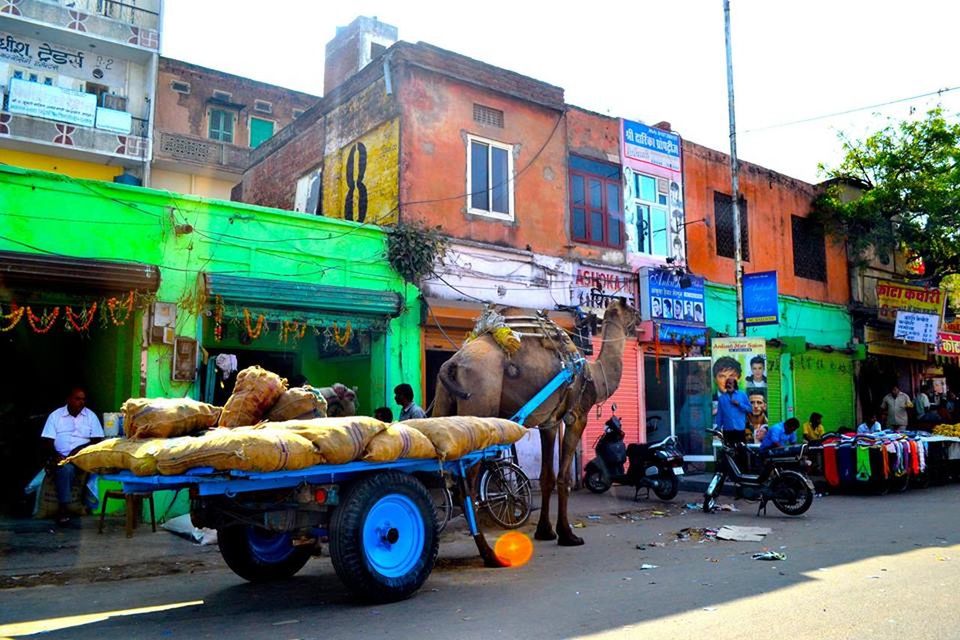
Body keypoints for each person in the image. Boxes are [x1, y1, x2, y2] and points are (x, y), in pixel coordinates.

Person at [41, 387, 103, 526]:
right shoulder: (55, 416)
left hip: (84, 458)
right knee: (65, 469)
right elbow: (47, 441)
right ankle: (64, 507)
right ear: (68, 399)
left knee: (67, 469)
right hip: (61, 458)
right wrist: (56, 455)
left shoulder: (91, 416)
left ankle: (63, 508)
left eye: (83, 399)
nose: (81, 402)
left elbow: (97, 441)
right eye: (77, 399)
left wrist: (78, 451)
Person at [716, 376, 750, 444]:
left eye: (730, 383)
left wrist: (739, 404)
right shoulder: (722, 398)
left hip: (740, 428)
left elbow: (749, 409)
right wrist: (718, 428)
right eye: (727, 383)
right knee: (729, 451)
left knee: (741, 451)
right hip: (727, 429)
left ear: (735, 385)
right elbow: (719, 414)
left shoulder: (742, 395)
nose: (728, 385)